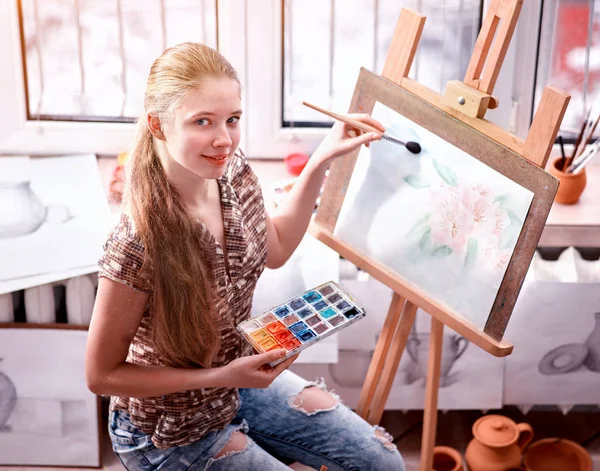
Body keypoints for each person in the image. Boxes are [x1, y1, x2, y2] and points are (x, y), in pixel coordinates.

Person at [85, 42, 405, 471]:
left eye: (232, 119)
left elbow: (274, 250)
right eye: (202, 121)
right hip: (167, 428)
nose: (224, 139)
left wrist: (321, 159)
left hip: (233, 382)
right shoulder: (135, 243)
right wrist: (223, 376)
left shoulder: (233, 172)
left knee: (383, 462)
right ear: (157, 126)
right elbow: (101, 376)